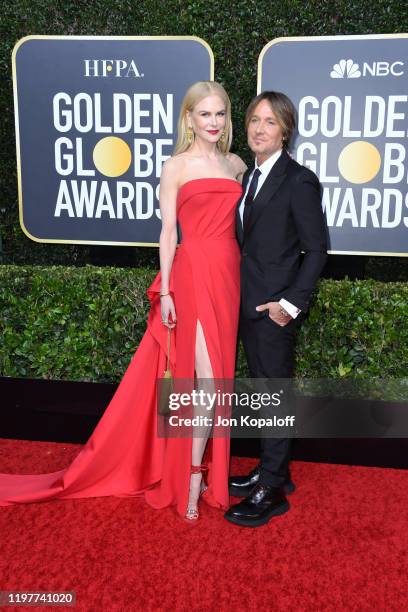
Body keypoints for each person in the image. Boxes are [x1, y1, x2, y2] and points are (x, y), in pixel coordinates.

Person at [0, 81, 247, 521]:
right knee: (203, 384)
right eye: (205, 114)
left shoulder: (236, 165)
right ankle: (192, 477)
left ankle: (207, 469)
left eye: (221, 114)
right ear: (188, 118)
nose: (213, 122)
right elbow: (168, 233)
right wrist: (167, 291)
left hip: (229, 275)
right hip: (192, 276)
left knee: (218, 383)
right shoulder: (175, 166)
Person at [225, 91, 328, 528]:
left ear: (285, 130)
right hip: (247, 305)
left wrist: (288, 305)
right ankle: (274, 472)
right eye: (253, 120)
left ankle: (271, 490)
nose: (258, 128)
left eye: (269, 122)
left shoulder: (298, 179)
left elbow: (317, 249)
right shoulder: (250, 177)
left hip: (272, 310)